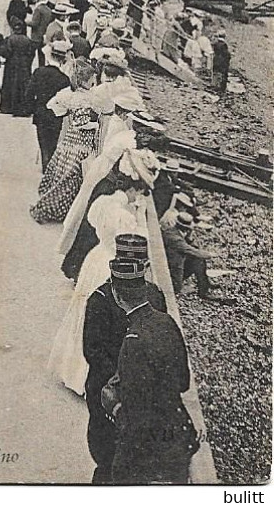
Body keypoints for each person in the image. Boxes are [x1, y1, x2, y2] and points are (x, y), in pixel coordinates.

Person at [49, 180, 149, 396]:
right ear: (131, 190)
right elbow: (140, 242)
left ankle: (70, 371)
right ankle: (85, 377)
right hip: (110, 263)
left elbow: (94, 222)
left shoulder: (104, 202)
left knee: (84, 310)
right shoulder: (126, 217)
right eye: (137, 193)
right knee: (103, 318)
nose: (136, 198)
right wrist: (140, 216)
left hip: (95, 257)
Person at [106, 259, 199, 484]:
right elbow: (183, 382)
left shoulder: (133, 341)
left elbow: (136, 414)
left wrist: (114, 406)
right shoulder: (166, 321)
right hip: (179, 432)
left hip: (150, 446)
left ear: (117, 297)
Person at [83, 236, 167, 485]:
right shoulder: (153, 295)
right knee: (115, 453)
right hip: (120, 388)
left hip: (111, 389)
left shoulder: (99, 298)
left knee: (109, 454)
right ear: (146, 264)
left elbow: (92, 351)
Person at [30, 61, 109, 224]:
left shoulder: (69, 94)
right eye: (93, 79)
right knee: (72, 177)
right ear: (87, 81)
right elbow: (85, 124)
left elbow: (52, 106)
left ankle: (53, 205)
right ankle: (52, 208)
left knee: (62, 173)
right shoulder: (88, 98)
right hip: (83, 141)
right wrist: (97, 123)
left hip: (70, 139)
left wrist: (67, 113)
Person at [25, 39, 71, 172]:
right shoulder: (64, 79)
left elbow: (28, 94)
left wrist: (34, 109)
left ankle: (46, 164)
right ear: (63, 60)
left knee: (43, 140)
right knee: (53, 141)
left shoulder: (39, 72)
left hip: (40, 113)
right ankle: (49, 164)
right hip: (56, 116)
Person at [161, 211, 215, 299]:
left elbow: (192, 246)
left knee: (198, 260)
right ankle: (204, 291)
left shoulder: (171, 231)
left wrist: (189, 237)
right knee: (198, 259)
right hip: (171, 271)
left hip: (170, 265)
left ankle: (205, 287)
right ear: (186, 229)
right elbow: (192, 250)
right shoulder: (176, 239)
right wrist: (210, 254)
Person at [0, 18, 36, 116]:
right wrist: (27, 62)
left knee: (10, 84)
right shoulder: (27, 40)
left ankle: (8, 107)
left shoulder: (10, 39)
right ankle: (22, 107)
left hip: (11, 64)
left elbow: (5, 52)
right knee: (23, 86)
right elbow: (31, 53)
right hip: (24, 65)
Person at [212, 30, 231, 94]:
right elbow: (226, 54)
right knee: (223, 74)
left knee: (216, 73)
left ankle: (215, 86)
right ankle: (221, 88)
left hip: (216, 60)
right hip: (222, 62)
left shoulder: (215, 44)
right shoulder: (224, 45)